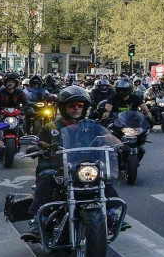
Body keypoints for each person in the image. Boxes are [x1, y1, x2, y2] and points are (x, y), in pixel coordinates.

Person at [19, 87, 120, 241]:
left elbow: (107, 136)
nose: (76, 108)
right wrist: (38, 147)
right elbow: (37, 143)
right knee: (45, 180)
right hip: (56, 168)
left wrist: (120, 144)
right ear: (64, 107)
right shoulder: (51, 127)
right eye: (72, 105)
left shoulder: (91, 125)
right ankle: (37, 223)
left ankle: (112, 214)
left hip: (84, 167)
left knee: (104, 180)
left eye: (79, 105)